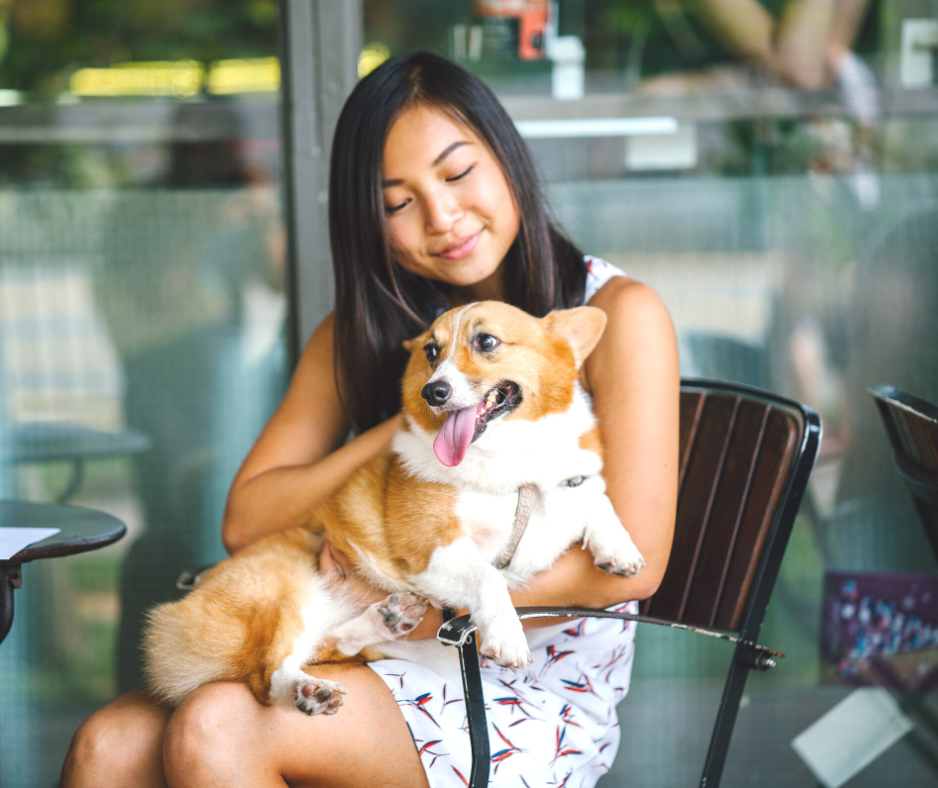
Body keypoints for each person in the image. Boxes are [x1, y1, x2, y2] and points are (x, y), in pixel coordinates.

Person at [61, 51, 679, 788]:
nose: (442, 217)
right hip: (368, 645)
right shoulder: (366, 332)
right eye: (398, 202)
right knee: (106, 745)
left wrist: (409, 608)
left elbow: (629, 566)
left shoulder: (615, 312)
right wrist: (424, 417)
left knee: (217, 728)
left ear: (508, 157)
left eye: (456, 174)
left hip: (523, 680)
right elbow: (247, 518)